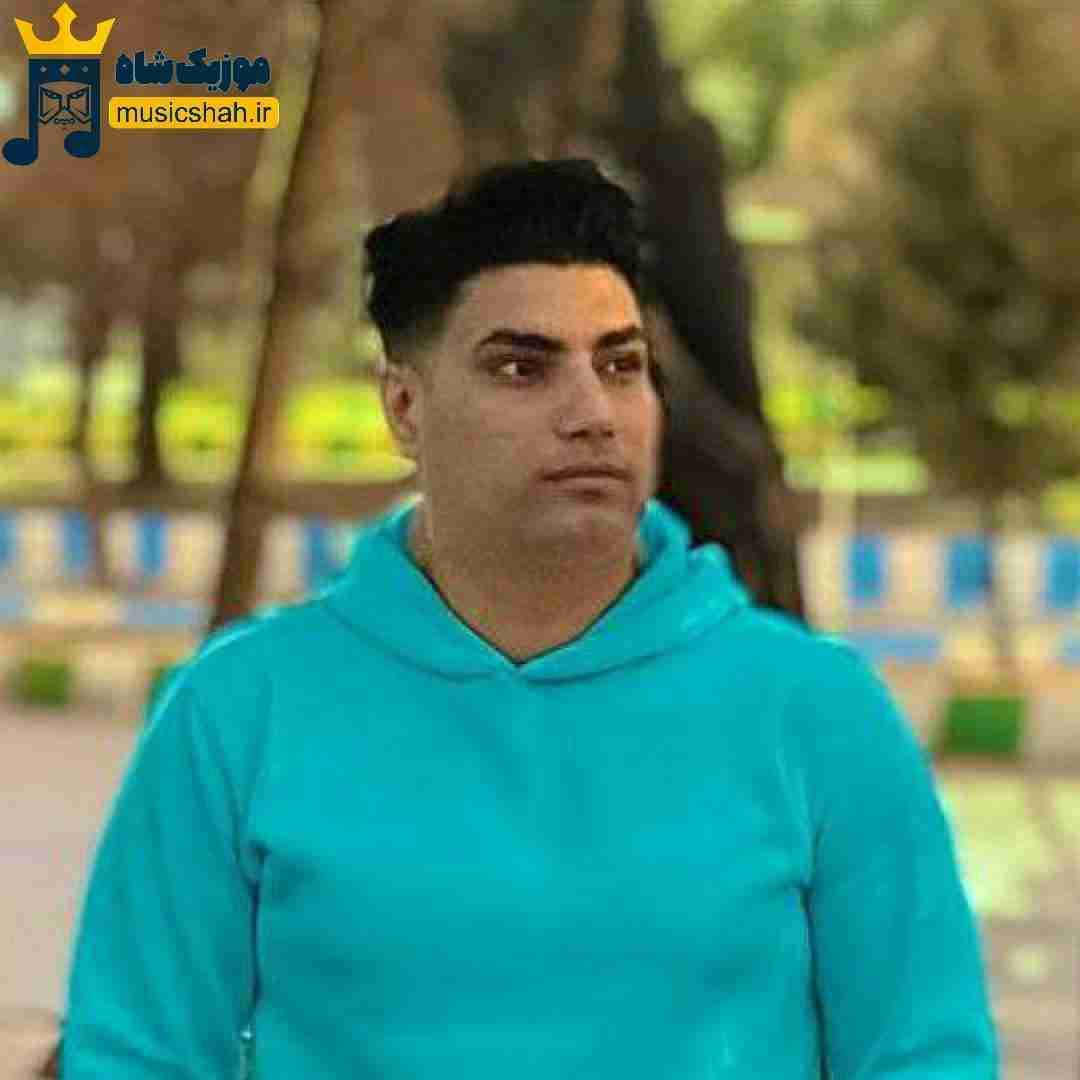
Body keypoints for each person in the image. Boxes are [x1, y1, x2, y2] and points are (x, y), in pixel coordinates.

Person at [60, 158, 1000, 1078]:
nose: (593, 412)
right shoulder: (239, 710)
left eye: (620, 364)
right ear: (404, 408)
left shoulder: (817, 712)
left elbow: (925, 1056)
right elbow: (136, 1057)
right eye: (523, 367)